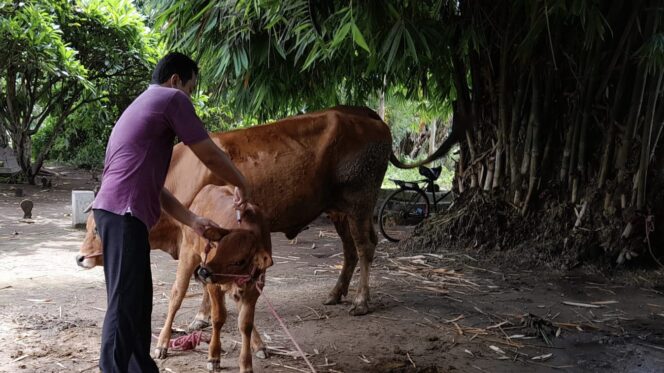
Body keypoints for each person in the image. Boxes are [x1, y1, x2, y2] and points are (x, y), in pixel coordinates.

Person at [91, 52, 250, 373]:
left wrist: (192, 220)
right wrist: (242, 182)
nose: (189, 97)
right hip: (123, 214)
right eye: (191, 89)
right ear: (176, 80)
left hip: (116, 212)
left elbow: (154, 187)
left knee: (137, 302)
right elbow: (208, 153)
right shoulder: (169, 99)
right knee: (124, 305)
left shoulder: (141, 106)